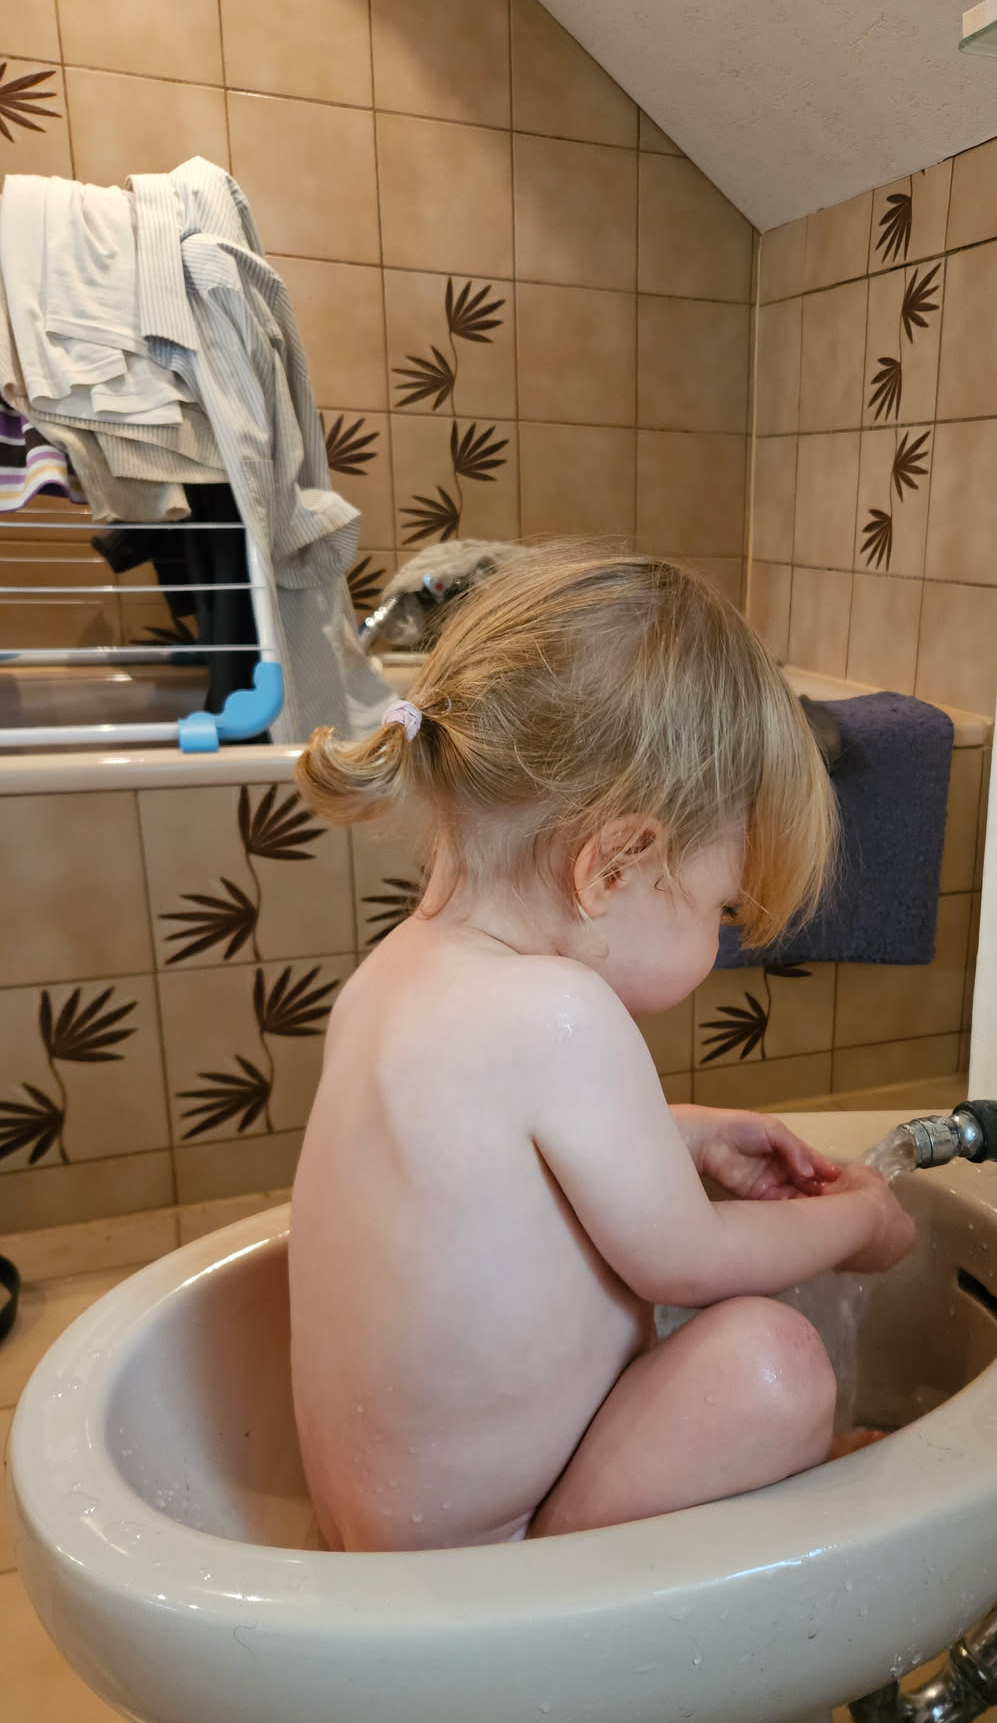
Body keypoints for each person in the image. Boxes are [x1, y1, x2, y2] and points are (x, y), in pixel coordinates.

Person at [290, 545, 914, 1551]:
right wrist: (862, 1222)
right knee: (774, 1362)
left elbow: (494, 1173)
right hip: (488, 1568)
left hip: (388, 1541)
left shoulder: (390, 979)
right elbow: (687, 1261)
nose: (723, 939)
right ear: (617, 862)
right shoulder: (559, 1009)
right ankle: (573, 1549)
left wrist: (685, 1133)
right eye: (722, 908)